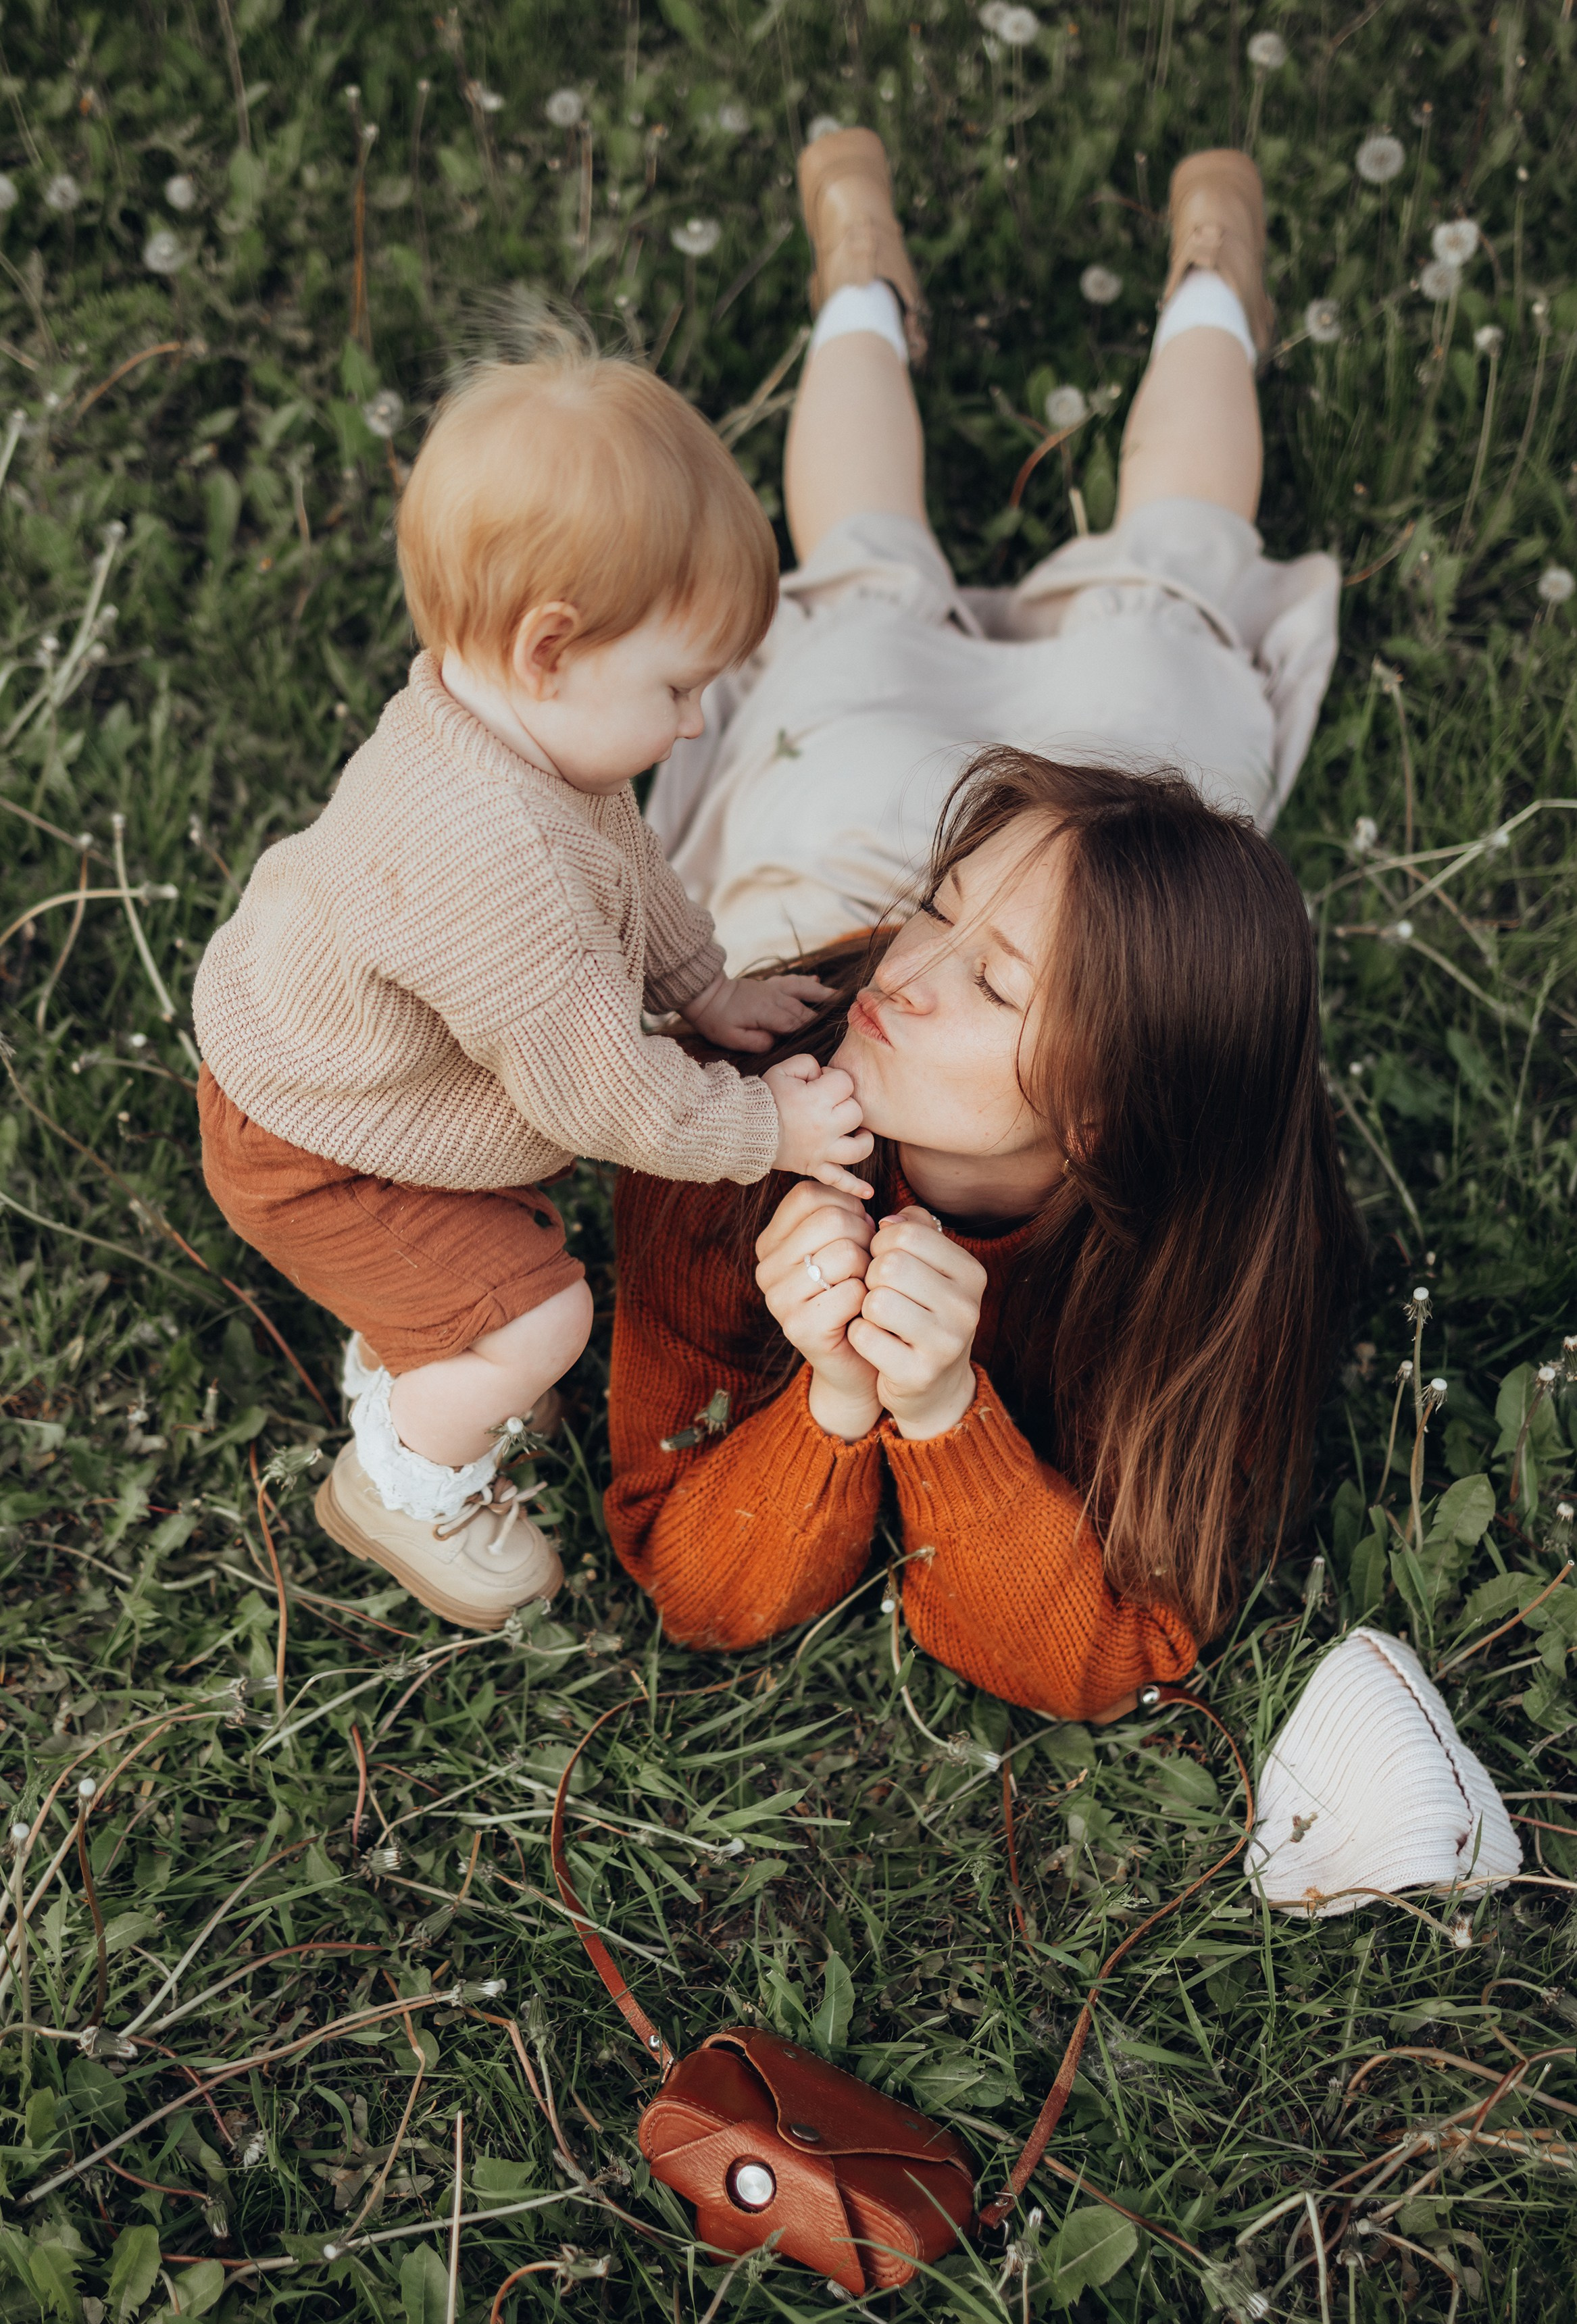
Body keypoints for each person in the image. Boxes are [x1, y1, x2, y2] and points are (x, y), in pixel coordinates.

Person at [603, 139, 1362, 1720]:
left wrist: (929, 1410)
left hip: (1059, 886)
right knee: (1115, 592)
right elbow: (685, 1565)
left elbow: (1113, 1657)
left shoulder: (1207, 1260)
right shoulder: (722, 1115)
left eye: (990, 986)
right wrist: (822, 1403)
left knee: (989, 584)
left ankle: (1210, 268)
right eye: (939, 930)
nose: (910, 976)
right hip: (863, 851)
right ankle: (869, 287)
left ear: (1105, 1110)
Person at [191, 354, 876, 1629]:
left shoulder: (511, 726)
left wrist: (703, 993)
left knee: (503, 1278)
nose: (688, 726)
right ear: (548, 645)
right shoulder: (492, 874)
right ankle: (404, 1477)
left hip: (335, 1072)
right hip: (316, 1149)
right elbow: (607, 1098)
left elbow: (626, 861)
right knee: (546, 1320)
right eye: (677, 690)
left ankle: (432, 1337)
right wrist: (764, 1128)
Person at [651, 138, 1341, 970]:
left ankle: (1212, 276)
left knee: (1171, 568)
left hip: (1082, 902)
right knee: (867, 566)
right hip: (844, 852)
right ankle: (861, 271)